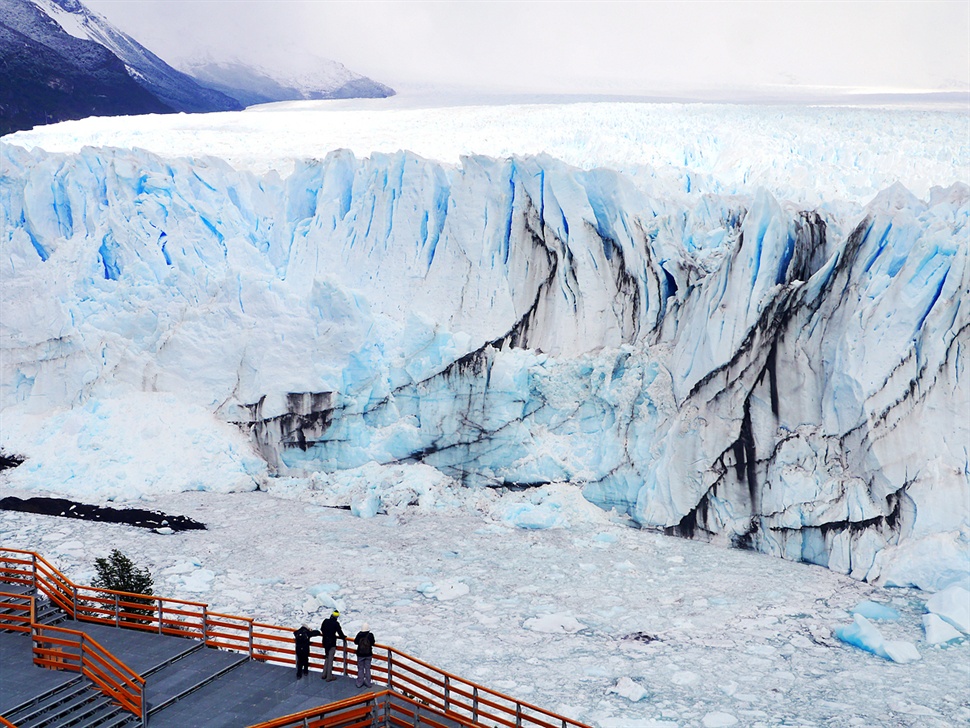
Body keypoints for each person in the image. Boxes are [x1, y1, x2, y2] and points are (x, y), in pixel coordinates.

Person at [320, 609, 346, 681]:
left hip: (325, 642)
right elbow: (340, 633)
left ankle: (324, 674)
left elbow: (322, 629)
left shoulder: (325, 621)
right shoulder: (336, 624)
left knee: (327, 657)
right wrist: (344, 637)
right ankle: (329, 676)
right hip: (331, 643)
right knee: (330, 659)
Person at [354, 623, 376, 688]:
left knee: (360, 668)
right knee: (367, 669)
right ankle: (368, 683)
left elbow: (355, 642)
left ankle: (359, 683)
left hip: (360, 654)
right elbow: (373, 642)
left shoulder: (359, 634)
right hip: (368, 654)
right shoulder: (370, 635)